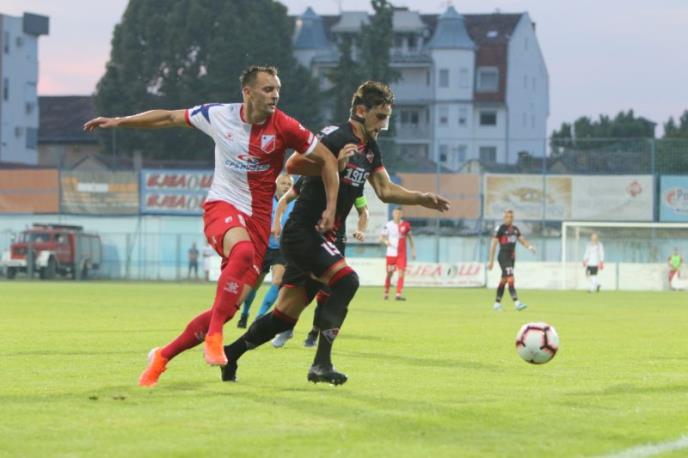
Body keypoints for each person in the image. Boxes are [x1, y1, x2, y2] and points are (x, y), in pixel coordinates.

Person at [84, 65, 340, 387]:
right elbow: (168, 117)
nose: (275, 95)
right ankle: (215, 336)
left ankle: (162, 356)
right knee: (242, 253)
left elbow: (328, 159)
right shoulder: (218, 115)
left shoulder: (285, 126)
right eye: (267, 89)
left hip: (257, 223)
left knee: (227, 307)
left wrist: (331, 207)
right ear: (247, 92)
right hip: (223, 205)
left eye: (277, 89)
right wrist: (120, 121)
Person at [220, 81, 450, 385]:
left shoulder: (370, 149)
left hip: (328, 237)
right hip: (305, 231)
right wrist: (333, 164)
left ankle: (231, 354)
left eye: (387, 118)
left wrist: (421, 198)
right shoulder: (335, 136)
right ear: (361, 111)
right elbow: (294, 164)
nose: (384, 125)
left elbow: (385, 190)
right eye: (380, 117)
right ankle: (321, 364)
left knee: (283, 316)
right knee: (347, 281)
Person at [269, 176, 369, 349]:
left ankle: (314, 333)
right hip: (307, 237)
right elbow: (285, 199)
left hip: (334, 241)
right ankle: (287, 327)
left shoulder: (353, 182)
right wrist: (277, 222)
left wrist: (361, 229)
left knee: (326, 292)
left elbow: (364, 210)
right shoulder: (312, 175)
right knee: (291, 286)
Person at [236, 173, 295, 328]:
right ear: (276, 185)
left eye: (289, 184)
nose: (286, 187)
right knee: (254, 284)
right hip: (263, 246)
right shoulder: (266, 201)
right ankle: (245, 313)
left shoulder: (295, 203)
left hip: (282, 248)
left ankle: (259, 317)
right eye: (283, 183)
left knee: (277, 281)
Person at [487, 209, 535, 311]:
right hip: (503, 257)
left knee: (504, 280)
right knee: (510, 279)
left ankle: (496, 304)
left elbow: (522, 240)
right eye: (507, 217)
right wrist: (491, 261)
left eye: (511, 217)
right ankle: (517, 303)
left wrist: (530, 247)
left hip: (511, 258)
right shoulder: (500, 228)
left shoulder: (515, 229)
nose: (509, 219)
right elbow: (493, 245)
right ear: (504, 218)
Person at [380, 207, 415, 300]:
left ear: (402, 214)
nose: (397, 215)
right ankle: (386, 292)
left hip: (401, 254)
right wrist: (386, 242)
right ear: (393, 214)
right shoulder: (388, 225)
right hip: (391, 254)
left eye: (399, 213)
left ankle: (398, 294)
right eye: (396, 213)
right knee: (389, 274)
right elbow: (381, 237)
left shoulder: (405, 225)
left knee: (401, 273)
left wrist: (413, 250)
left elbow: (410, 237)